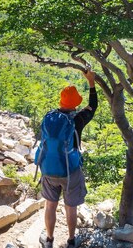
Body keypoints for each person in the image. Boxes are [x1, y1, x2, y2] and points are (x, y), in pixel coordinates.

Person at [39, 70, 97, 248]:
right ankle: (71, 241)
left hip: (48, 169)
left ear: (61, 101)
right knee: (71, 207)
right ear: (75, 104)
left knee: (50, 205)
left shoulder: (49, 117)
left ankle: (49, 239)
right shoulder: (78, 119)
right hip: (70, 170)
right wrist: (91, 82)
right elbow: (93, 105)